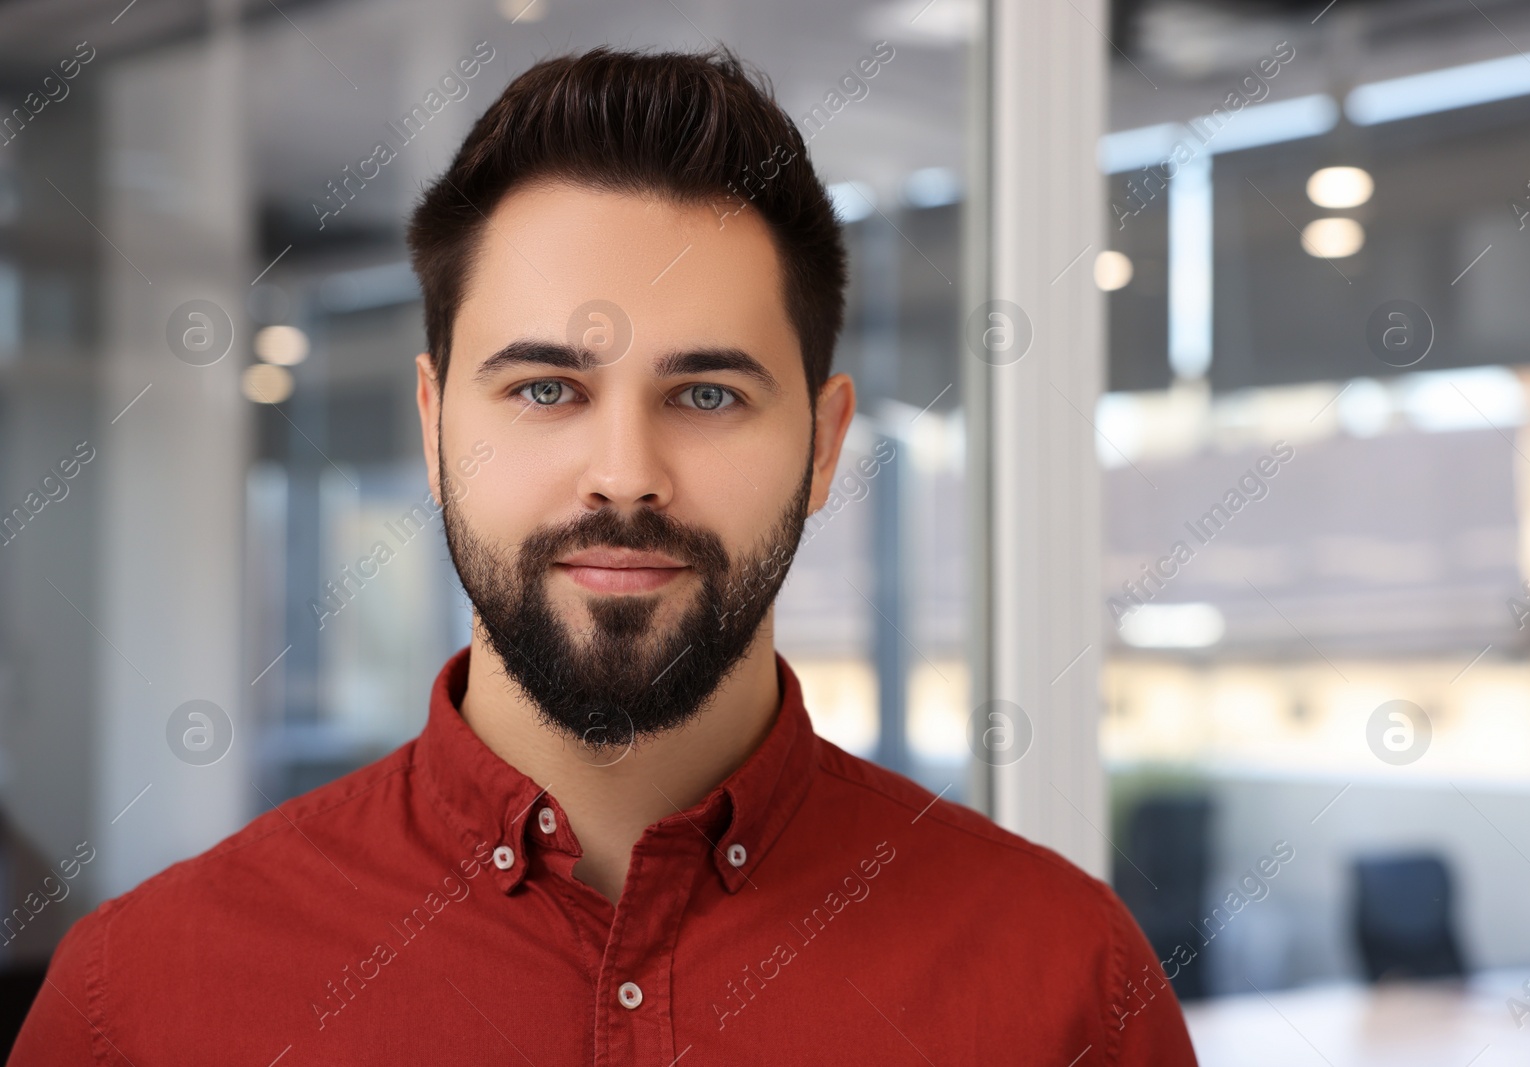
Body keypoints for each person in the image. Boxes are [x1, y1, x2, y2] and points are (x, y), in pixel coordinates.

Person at [9, 46, 1197, 1065]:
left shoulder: (1063, 985)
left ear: (825, 444)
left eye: (708, 392)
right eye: (543, 388)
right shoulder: (142, 1005)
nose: (624, 471)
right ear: (432, 429)